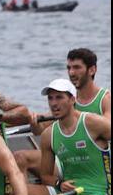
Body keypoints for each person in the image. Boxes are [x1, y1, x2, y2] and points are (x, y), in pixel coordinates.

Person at [17, 49, 107, 178]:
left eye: (76, 68)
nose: (71, 73)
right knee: (20, 157)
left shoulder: (105, 99)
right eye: (69, 68)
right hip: (70, 157)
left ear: (92, 70)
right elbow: (40, 131)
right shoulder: (64, 101)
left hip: (97, 161)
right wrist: (35, 123)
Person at [37, 78, 110, 195]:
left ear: (72, 100)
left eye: (59, 98)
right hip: (67, 193)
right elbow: (45, 176)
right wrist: (59, 184)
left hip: (100, 193)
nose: (53, 103)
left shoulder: (93, 123)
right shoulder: (48, 135)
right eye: (50, 98)